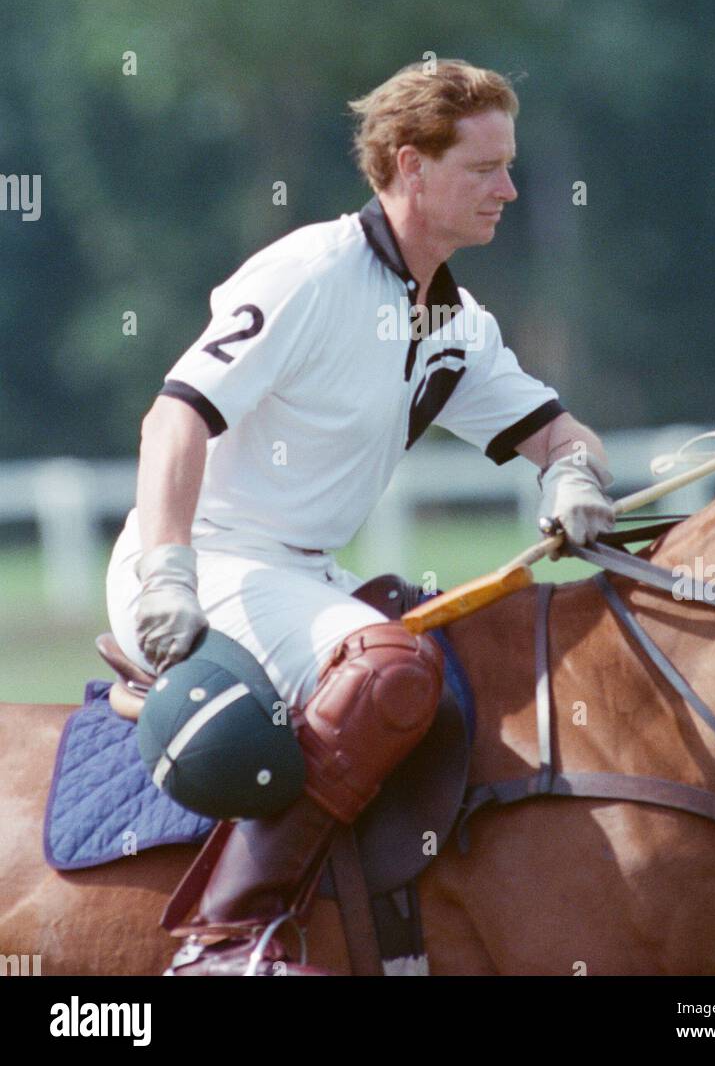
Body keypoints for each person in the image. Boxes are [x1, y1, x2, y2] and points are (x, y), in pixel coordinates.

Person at [105, 58, 615, 975]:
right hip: (205, 560)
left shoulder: (457, 324)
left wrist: (571, 478)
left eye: (509, 167)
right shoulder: (311, 270)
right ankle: (230, 940)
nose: (506, 188)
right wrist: (167, 569)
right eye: (484, 168)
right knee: (388, 672)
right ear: (411, 167)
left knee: (476, 654)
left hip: (299, 574)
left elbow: (557, 433)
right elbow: (174, 415)